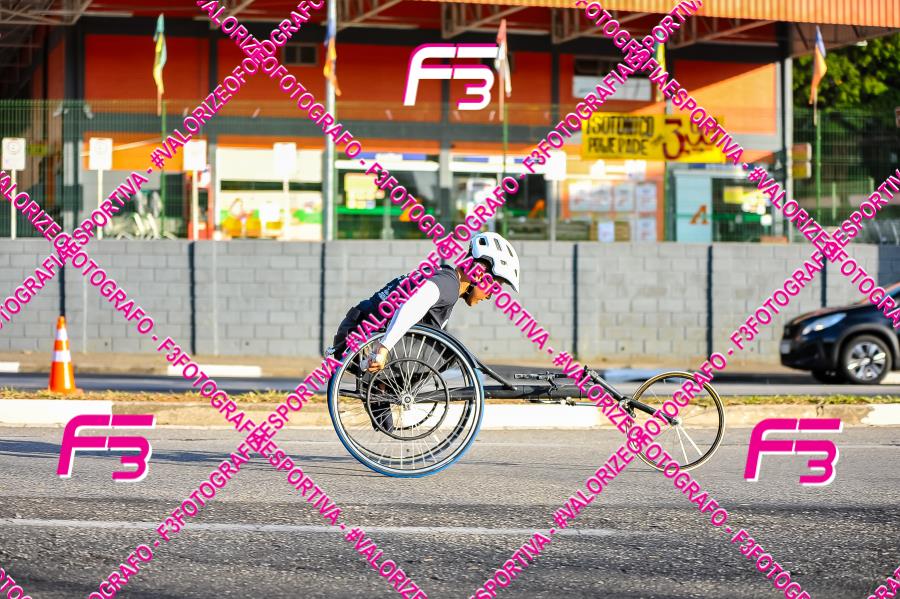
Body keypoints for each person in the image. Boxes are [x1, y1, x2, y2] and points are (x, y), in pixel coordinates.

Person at [325, 232, 521, 432]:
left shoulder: (442, 277)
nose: (490, 295)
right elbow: (411, 306)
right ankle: (378, 383)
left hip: (354, 332)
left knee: (441, 344)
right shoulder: (447, 285)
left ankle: (380, 386)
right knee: (450, 351)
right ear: (478, 273)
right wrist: (383, 349)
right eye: (494, 287)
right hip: (363, 343)